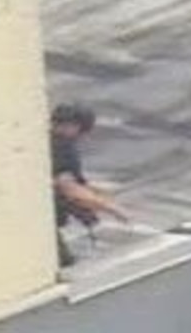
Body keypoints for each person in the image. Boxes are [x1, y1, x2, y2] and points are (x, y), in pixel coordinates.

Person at [49, 103, 127, 265]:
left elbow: (72, 182)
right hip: (41, 217)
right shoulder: (61, 148)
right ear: (74, 126)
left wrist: (96, 191)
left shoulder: (46, 141)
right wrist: (112, 209)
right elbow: (70, 189)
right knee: (63, 262)